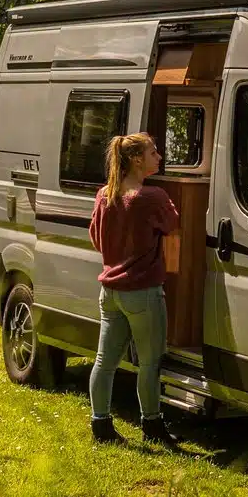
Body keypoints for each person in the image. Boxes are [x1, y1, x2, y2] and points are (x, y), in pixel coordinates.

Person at [87, 132, 180, 445]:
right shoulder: (152, 197)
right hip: (143, 292)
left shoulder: (104, 195)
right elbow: (171, 225)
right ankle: (152, 425)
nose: (160, 157)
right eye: (154, 152)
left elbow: (95, 237)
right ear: (137, 159)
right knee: (150, 362)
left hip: (110, 292)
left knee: (105, 362)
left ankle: (101, 426)